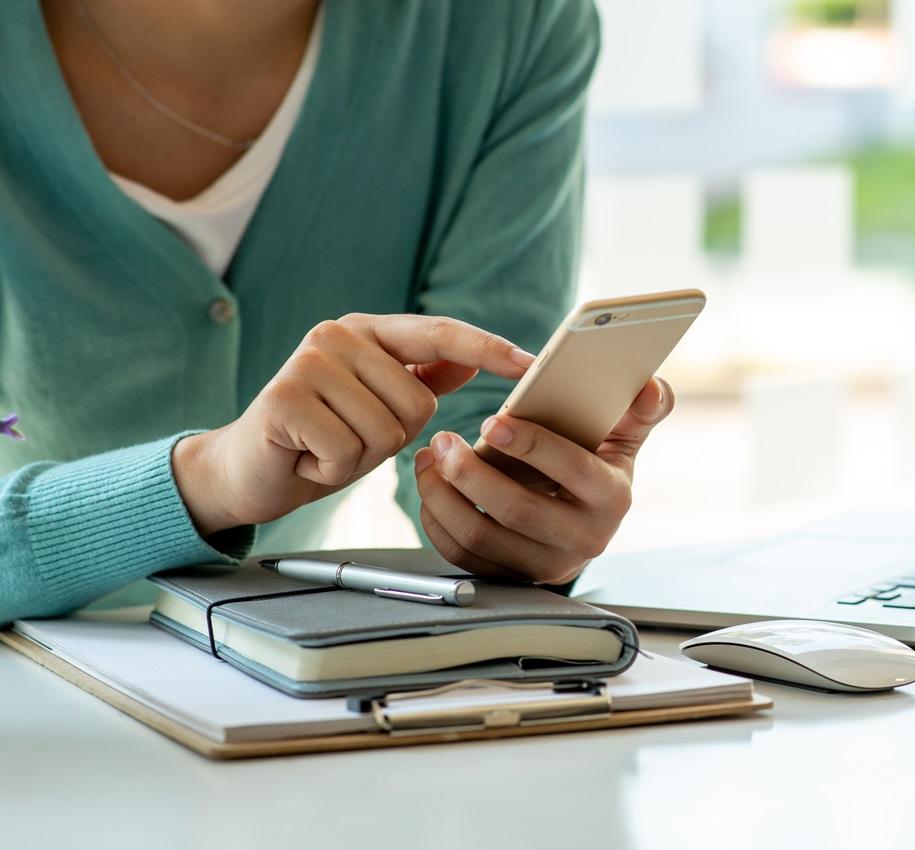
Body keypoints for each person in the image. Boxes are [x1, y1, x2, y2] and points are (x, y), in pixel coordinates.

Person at [0, 0, 674, 625]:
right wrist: (207, 479)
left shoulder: (510, 22)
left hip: (279, 692)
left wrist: (529, 524)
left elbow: (478, 431)